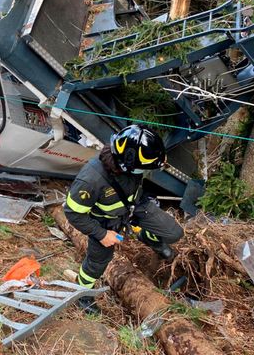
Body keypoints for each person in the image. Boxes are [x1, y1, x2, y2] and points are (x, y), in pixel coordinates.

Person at [64, 124, 184, 313]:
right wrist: (101, 234)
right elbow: (72, 213)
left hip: (134, 206)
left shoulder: (132, 159)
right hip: (104, 222)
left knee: (173, 232)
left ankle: (147, 237)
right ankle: (82, 294)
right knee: (97, 263)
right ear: (125, 164)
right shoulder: (90, 180)